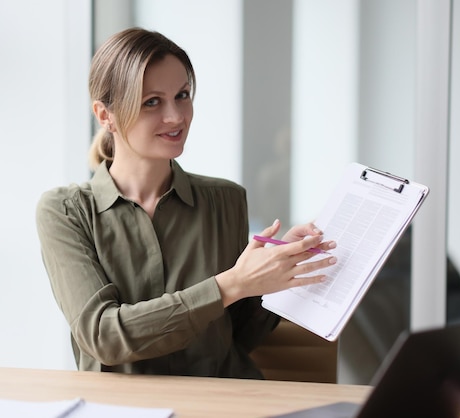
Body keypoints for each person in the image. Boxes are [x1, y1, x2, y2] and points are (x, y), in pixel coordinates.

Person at [35, 27, 337, 379]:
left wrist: (279, 272)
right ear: (105, 116)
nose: (176, 116)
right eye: (152, 102)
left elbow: (239, 335)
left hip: (223, 404)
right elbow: (104, 336)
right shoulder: (66, 212)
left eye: (182, 95)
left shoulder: (226, 200)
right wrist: (232, 284)